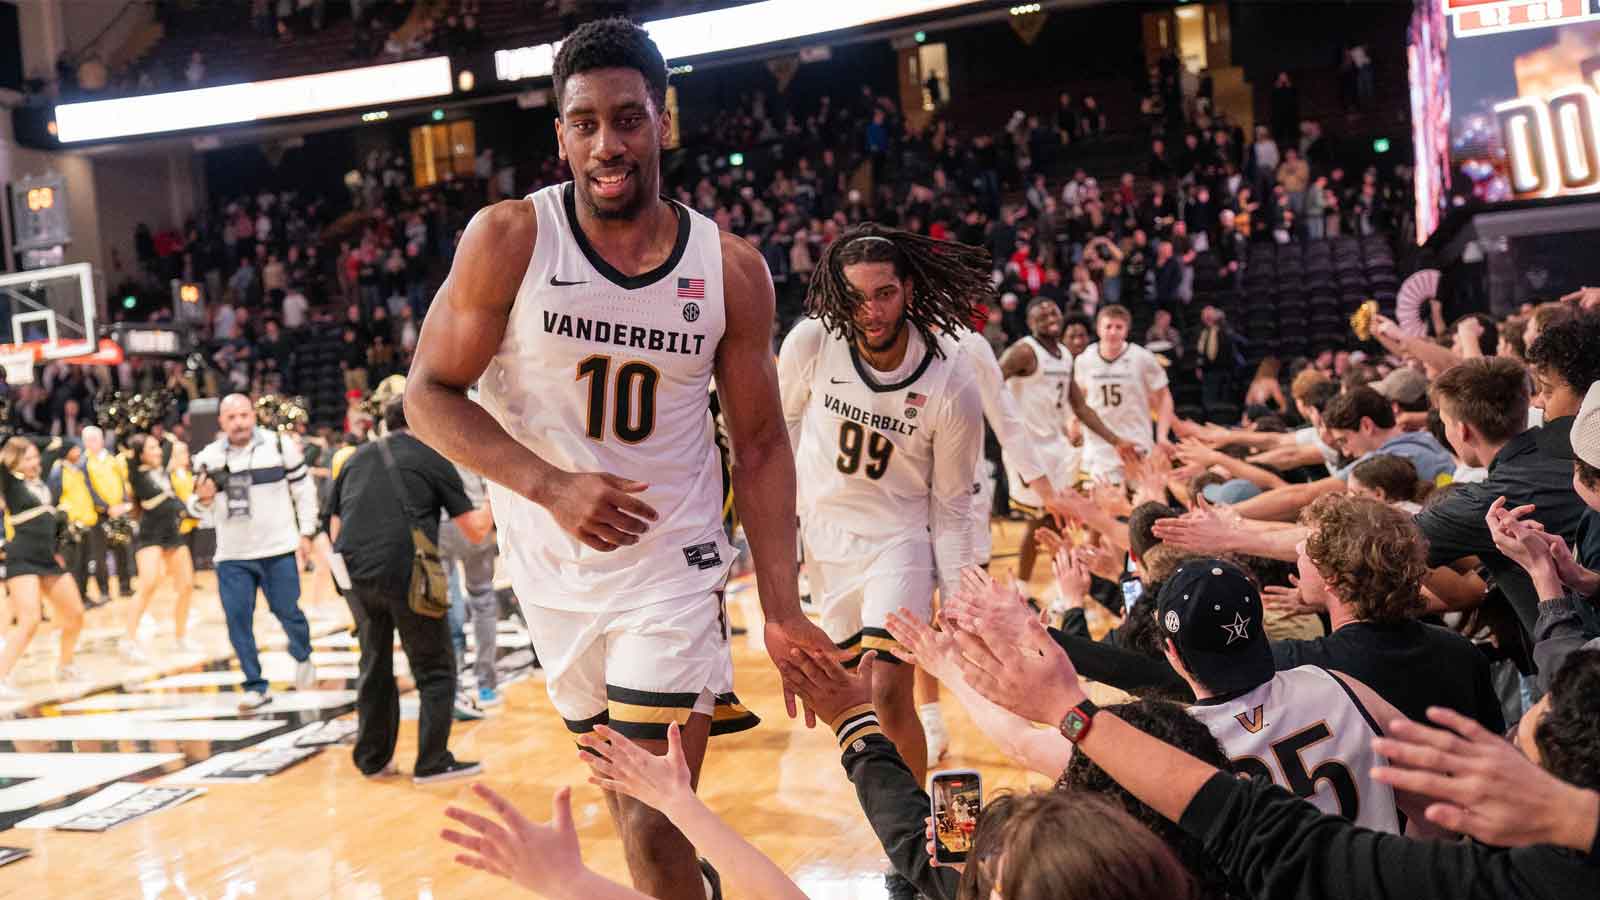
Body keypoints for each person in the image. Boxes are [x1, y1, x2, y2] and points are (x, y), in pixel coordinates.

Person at [404, 19, 835, 899]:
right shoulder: (510, 239)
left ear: (663, 123)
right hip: (553, 574)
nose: (609, 143)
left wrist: (783, 608)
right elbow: (426, 396)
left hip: (673, 570)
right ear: (560, 134)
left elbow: (759, 444)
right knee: (630, 812)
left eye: (630, 119)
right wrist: (550, 486)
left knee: (653, 811)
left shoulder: (730, 269)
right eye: (587, 122)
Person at [777, 225, 986, 896]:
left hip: (900, 539)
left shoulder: (950, 378)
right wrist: (770, 544)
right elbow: (771, 435)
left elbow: (952, 504)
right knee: (853, 699)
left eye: (885, 293)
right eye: (856, 296)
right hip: (824, 540)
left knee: (886, 683)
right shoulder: (811, 343)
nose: (871, 309)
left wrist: (958, 596)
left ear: (909, 291)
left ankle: (920, 851)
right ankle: (922, 831)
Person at [326, 398, 492, 782]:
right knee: (435, 667)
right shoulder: (432, 457)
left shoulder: (355, 457)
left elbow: (334, 528)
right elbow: (475, 530)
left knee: (374, 664)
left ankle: (373, 760)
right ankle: (432, 761)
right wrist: (500, 499)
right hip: (408, 575)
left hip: (357, 577)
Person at [190, 394, 321, 710]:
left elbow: (304, 492)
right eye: (231, 417)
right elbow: (197, 511)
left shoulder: (279, 447)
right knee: (237, 620)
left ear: (254, 416)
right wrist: (203, 501)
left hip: (278, 548)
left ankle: (302, 654)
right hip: (233, 555)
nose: (239, 422)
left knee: (288, 611)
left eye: (244, 415)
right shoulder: (207, 458)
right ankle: (254, 684)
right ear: (221, 421)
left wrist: (307, 533)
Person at [998, 297, 1133, 579]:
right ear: (1030, 322)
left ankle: (1071, 582)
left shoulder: (1064, 354)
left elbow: (1080, 407)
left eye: (1053, 309)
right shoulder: (1024, 351)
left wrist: (1115, 439)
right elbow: (990, 383)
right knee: (1044, 520)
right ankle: (1025, 587)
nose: (1049, 314)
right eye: (1041, 313)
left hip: (1057, 447)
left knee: (1067, 515)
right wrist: (1003, 426)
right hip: (1029, 449)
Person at [0, 438, 85, 696]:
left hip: (47, 559)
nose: (34, 463)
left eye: (36, 457)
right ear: (13, 461)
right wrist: (13, 446)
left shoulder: (42, 476)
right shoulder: (11, 482)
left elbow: (64, 445)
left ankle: (65, 665)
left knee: (76, 614)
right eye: (27, 458)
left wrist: (39, 444)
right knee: (30, 620)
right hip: (22, 557)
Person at [1073, 304, 1175, 481]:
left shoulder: (1142, 357)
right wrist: (1073, 422)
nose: (1113, 332)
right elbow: (1078, 399)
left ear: (1126, 330)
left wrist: (1162, 435)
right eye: (1108, 326)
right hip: (1099, 445)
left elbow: (1164, 395)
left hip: (1136, 441)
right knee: (1104, 503)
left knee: (1141, 502)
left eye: (1118, 327)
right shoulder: (1085, 359)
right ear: (1098, 329)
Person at [121, 434, 196, 659]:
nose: (157, 451)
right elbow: (164, 500)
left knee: (187, 586)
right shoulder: (137, 474)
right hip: (150, 535)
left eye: (157, 447)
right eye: (151, 448)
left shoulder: (161, 471)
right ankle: (128, 640)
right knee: (148, 584)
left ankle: (180, 637)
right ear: (140, 454)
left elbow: (170, 444)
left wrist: (164, 434)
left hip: (172, 533)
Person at [440, 445, 502, 709]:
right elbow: (493, 469)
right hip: (477, 515)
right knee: (483, 599)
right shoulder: (469, 424)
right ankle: (486, 684)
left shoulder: (426, 425)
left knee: (446, 602)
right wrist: (489, 510)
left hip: (441, 522)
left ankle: (452, 686)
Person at [82, 426, 134, 602]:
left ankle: (125, 586)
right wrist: (105, 507)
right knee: (100, 554)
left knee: (122, 549)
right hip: (100, 514)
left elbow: (121, 481)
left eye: (94, 439)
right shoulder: (85, 463)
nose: (91, 443)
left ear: (102, 440)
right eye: (87, 440)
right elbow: (89, 488)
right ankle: (104, 590)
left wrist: (124, 503)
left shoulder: (112, 459)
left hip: (119, 510)